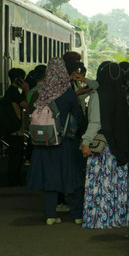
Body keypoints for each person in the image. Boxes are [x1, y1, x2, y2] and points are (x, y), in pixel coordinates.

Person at [26, 58, 85, 225]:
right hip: (65, 141)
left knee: (49, 178)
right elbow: (78, 117)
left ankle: (51, 215)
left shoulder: (42, 92)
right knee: (72, 176)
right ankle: (76, 215)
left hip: (45, 142)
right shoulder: (68, 93)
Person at [80, 62, 129, 229]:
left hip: (103, 149)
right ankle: (117, 218)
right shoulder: (120, 93)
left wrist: (85, 142)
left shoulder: (97, 95)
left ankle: (99, 219)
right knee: (115, 183)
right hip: (120, 146)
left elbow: (95, 122)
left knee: (101, 183)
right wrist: (85, 80)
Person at [1, 68, 28, 187]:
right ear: (18, 80)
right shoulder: (14, 93)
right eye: (22, 78)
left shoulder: (10, 91)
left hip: (13, 129)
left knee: (15, 156)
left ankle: (14, 180)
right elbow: (27, 106)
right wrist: (26, 90)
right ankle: (14, 181)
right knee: (16, 156)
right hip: (16, 130)